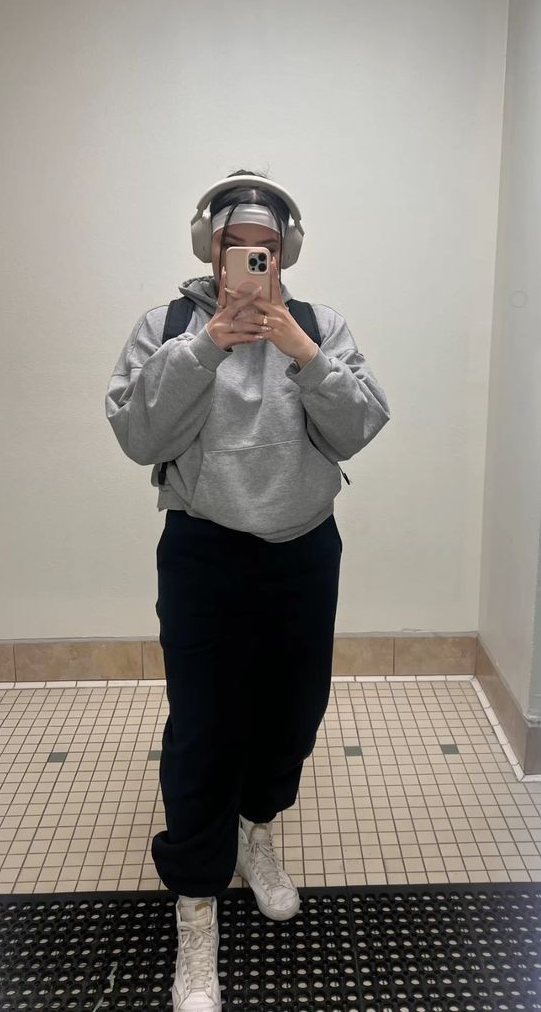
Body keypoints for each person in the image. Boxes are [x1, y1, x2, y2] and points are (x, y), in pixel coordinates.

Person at [105, 169, 390, 1010]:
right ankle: (197, 905)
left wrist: (303, 354)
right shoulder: (167, 329)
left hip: (304, 550)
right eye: (237, 249)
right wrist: (207, 346)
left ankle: (257, 830)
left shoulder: (320, 328)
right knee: (203, 730)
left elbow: (360, 425)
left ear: (286, 252)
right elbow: (138, 434)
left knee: (293, 714)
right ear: (212, 250)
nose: (251, 264)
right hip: (204, 552)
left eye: (266, 250)